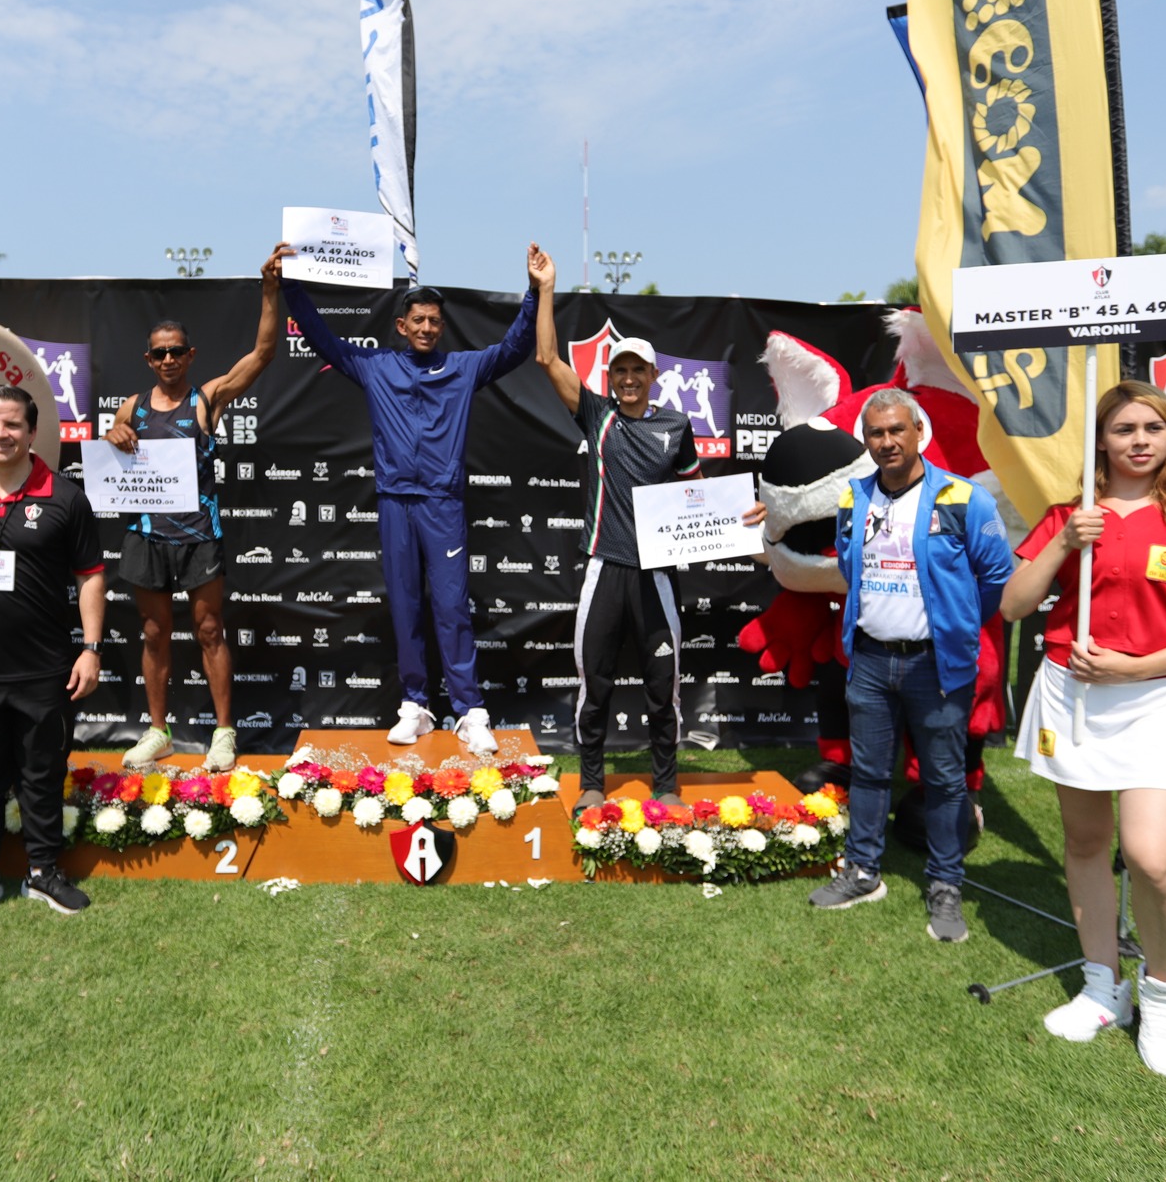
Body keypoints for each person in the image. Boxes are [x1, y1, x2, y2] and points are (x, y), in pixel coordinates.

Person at [999, 380, 1166, 1078]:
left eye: (1153, 427)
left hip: (1155, 700)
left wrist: (1137, 667)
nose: (1140, 440)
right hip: (1072, 694)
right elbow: (1015, 602)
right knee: (1085, 842)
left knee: (1151, 858)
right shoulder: (1069, 513)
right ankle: (1101, 983)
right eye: (1124, 429)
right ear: (1103, 442)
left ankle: (1163, 994)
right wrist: (1061, 543)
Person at [525, 244, 762, 808]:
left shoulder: (676, 427)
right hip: (605, 569)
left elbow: (696, 497)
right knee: (596, 686)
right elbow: (546, 359)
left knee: (664, 691)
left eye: (638, 371)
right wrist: (546, 289)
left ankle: (664, 786)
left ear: (654, 376)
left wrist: (742, 520)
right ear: (611, 377)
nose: (629, 379)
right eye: (621, 370)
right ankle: (589, 785)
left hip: (655, 575)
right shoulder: (596, 414)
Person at [283, 260, 539, 755]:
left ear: (442, 327)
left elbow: (515, 348)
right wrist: (289, 285)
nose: (426, 328)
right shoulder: (376, 367)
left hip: (442, 504)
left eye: (434, 321)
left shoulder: (463, 368)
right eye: (418, 320)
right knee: (405, 606)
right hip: (395, 502)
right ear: (401, 326)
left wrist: (533, 291)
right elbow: (320, 337)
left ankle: (470, 712)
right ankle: (416, 706)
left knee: (451, 607)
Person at [810, 387, 1014, 944]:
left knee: (946, 781)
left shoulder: (963, 498)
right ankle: (862, 871)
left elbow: (996, 578)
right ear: (866, 439)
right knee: (870, 772)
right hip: (872, 660)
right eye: (876, 433)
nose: (887, 441)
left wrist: (956, 624)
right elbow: (852, 569)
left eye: (897, 430)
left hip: (936, 665)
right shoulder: (854, 499)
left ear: (918, 431)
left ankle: (946, 884)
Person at [0, 385, 107, 928]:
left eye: (12, 425)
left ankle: (42, 870)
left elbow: (90, 576)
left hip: (46, 669)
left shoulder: (65, 496)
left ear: (33, 433)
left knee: (41, 774)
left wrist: (91, 648)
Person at [106, 244, 283, 770]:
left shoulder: (207, 398)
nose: (167, 360)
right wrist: (115, 434)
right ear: (147, 359)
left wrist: (271, 291)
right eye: (159, 353)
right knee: (155, 634)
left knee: (209, 631)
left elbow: (263, 354)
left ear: (190, 355)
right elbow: (114, 454)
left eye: (176, 352)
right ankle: (158, 731)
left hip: (198, 534)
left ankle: (223, 734)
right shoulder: (131, 407)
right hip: (146, 535)